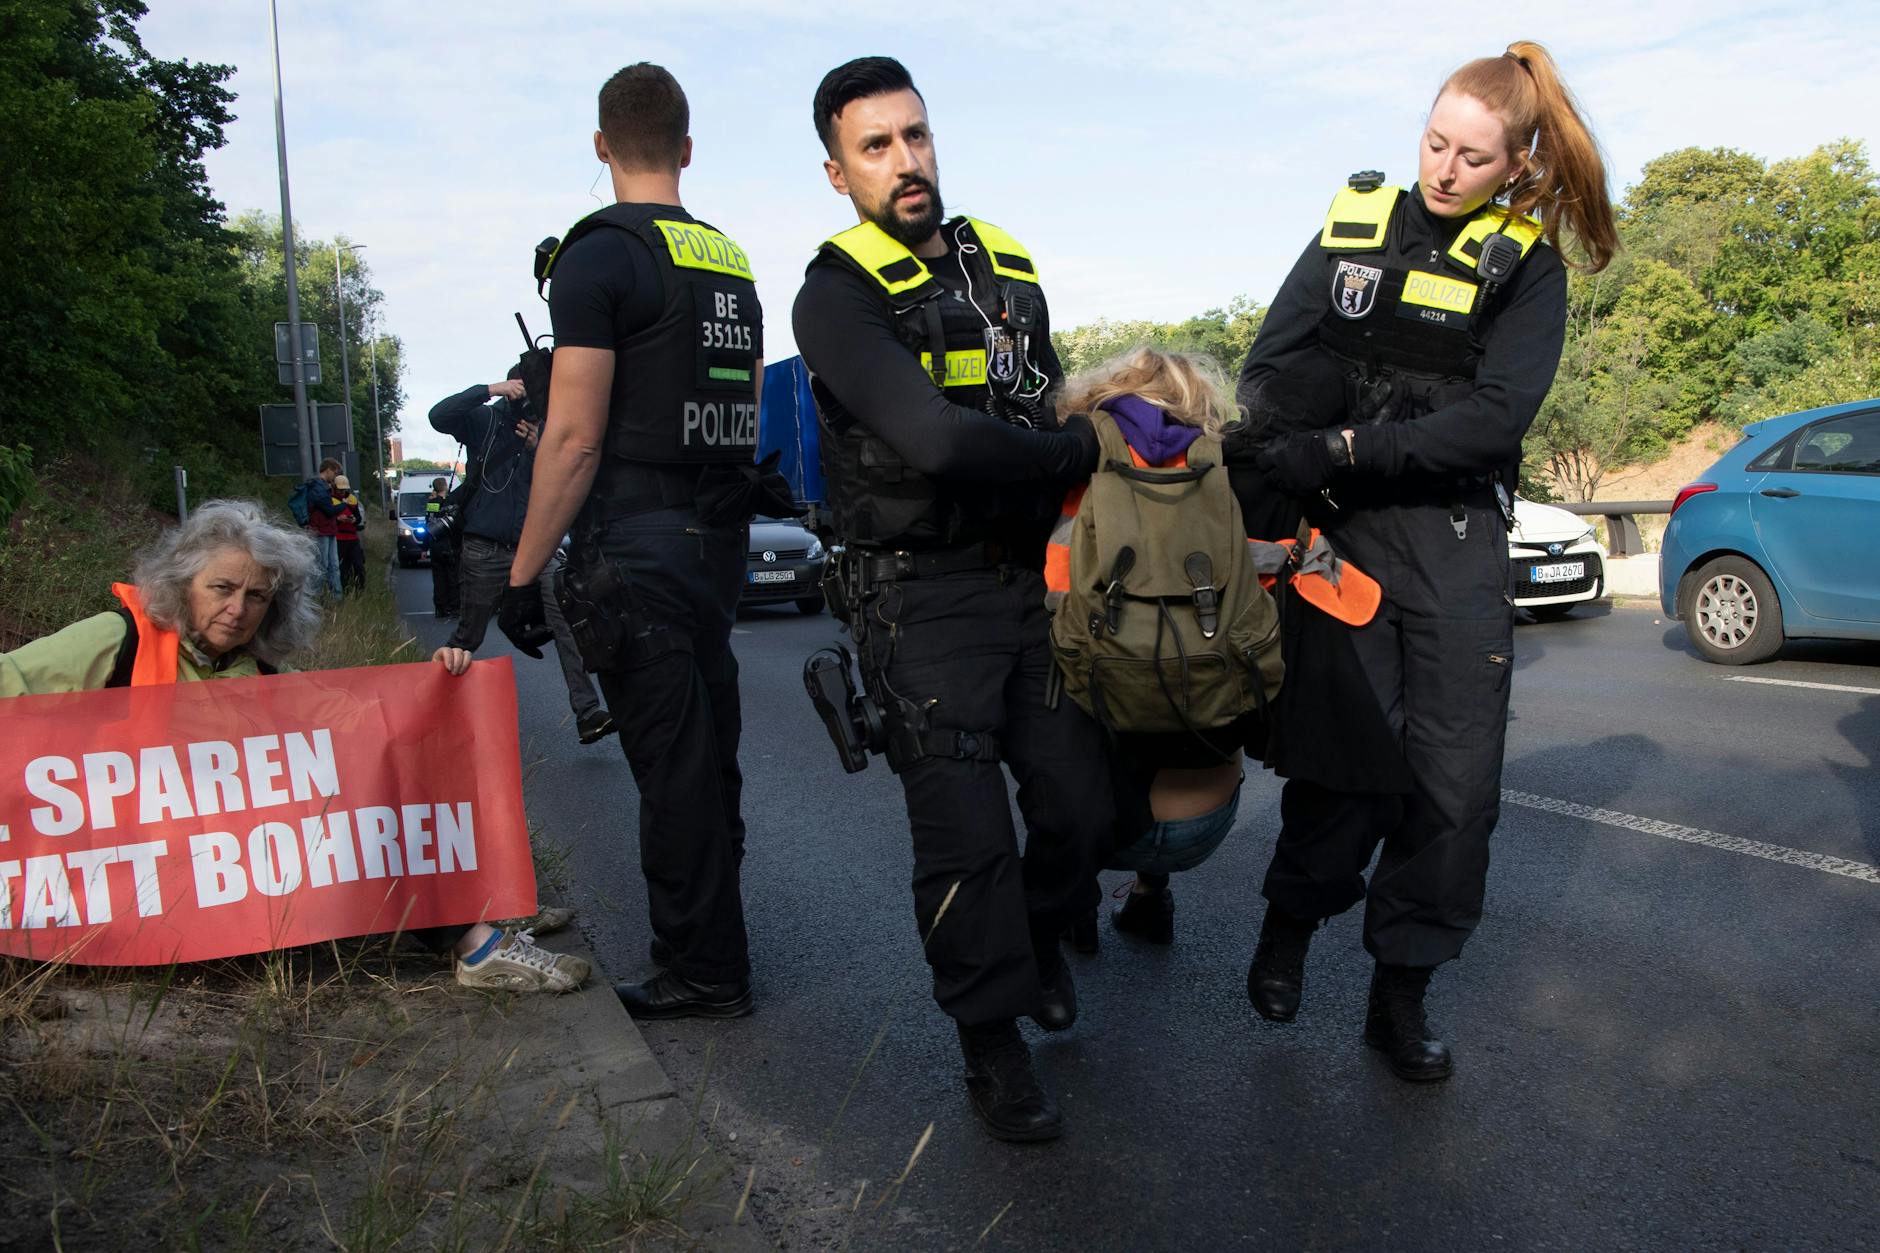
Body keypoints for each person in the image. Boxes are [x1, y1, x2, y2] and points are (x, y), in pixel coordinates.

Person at [1232, 40, 1618, 1082]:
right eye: (1433, 143)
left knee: (1452, 791)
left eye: (1472, 157)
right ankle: (1286, 927)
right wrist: (1306, 435)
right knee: (1343, 762)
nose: (1443, 170)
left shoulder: (1523, 264)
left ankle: (1398, 994)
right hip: (1347, 538)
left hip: (1452, 542)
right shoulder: (1352, 228)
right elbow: (1268, 369)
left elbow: (1493, 424)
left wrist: (1361, 438)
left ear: (1516, 165)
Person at [792, 57, 1110, 1143]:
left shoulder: (1001, 262)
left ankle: (1038, 935)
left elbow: (1047, 390)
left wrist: (1109, 434)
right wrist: (1073, 449)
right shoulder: (832, 294)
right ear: (837, 173)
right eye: (875, 146)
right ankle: (991, 1043)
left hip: (1026, 582)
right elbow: (931, 438)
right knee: (966, 838)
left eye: (914, 136)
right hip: (915, 602)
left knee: (1080, 803)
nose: (905, 161)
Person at [0, 499, 587, 992]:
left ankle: (476, 919)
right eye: (222, 589)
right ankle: (476, 939)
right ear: (181, 586)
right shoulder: (116, 639)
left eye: (257, 596)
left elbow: (361, 731)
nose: (238, 610)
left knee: (372, 789)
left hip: (219, 867)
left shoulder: (254, 673)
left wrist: (432, 685)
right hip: (128, 863)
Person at [499, 62, 774, 1022]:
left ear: (602, 144)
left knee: (672, 762)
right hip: (719, 535)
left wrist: (523, 574)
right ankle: (717, 942)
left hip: (641, 538)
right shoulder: (727, 256)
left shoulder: (597, 256)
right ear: (687, 147)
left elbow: (572, 438)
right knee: (711, 747)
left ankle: (703, 970)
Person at [1044, 349, 1257, 948]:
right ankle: (1150, 896)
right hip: (1205, 827)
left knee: (1067, 701)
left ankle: (1074, 905)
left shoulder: (1078, 468)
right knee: (1198, 679)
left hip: (1102, 827)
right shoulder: (1230, 472)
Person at [429, 371, 614, 745]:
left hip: (536, 545)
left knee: (567, 619)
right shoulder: (485, 420)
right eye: (525, 391)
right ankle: (432, 711)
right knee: (470, 634)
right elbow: (439, 415)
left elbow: (571, 477)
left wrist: (538, 447)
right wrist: (489, 390)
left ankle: (588, 713)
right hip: (485, 547)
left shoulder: (547, 432)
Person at [299, 457, 345, 596]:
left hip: (329, 530)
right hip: (320, 531)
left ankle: (336, 596)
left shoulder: (323, 487)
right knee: (322, 565)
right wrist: (344, 504)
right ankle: (316, 596)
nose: (335, 477)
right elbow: (329, 509)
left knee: (334, 566)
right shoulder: (317, 486)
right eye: (335, 473)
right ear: (328, 470)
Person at [425, 477, 460, 617]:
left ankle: (440, 607)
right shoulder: (450, 504)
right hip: (448, 545)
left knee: (438, 578)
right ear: (445, 487)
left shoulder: (430, 504)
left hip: (435, 546)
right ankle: (453, 607)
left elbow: (428, 521)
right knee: (452, 577)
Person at [332, 474, 366, 592]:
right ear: (334, 488)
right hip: (338, 538)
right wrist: (338, 519)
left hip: (352, 538)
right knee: (341, 567)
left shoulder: (352, 499)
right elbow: (328, 518)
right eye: (340, 490)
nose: (342, 492)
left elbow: (358, 517)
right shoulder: (330, 500)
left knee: (359, 565)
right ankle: (343, 590)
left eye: (344, 490)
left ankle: (360, 591)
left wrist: (354, 520)